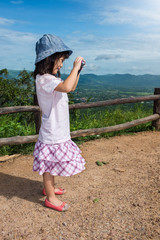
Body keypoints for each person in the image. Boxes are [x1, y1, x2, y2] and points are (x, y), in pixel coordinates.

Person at [32, 34, 86, 212]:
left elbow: (71, 86)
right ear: (49, 59)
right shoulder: (44, 79)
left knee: (52, 163)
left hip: (58, 130)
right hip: (52, 132)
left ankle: (50, 188)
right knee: (48, 166)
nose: (61, 64)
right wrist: (75, 66)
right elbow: (68, 87)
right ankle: (50, 198)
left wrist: (76, 71)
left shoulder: (51, 80)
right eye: (60, 60)